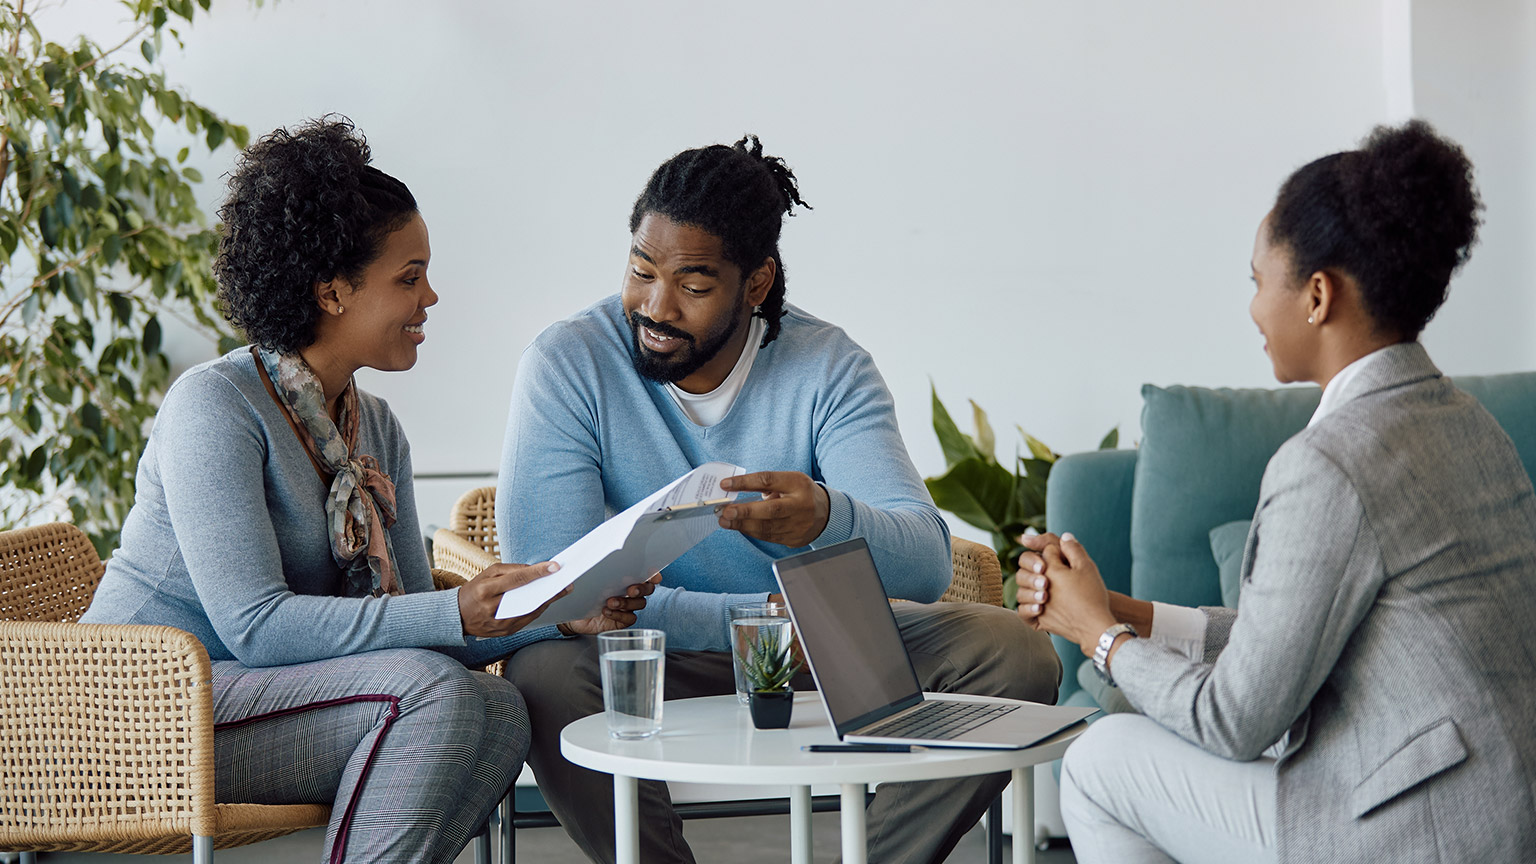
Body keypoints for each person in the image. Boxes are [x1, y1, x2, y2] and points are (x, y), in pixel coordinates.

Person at [80, 117, 655, 864]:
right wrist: (460, 608)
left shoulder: (374, 428)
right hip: (138, 712)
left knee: (498, 708)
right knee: (433, 695)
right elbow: (255, 625)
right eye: (408, 277)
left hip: (252, 700)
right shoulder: (213, 408)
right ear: (332, 292)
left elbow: (426, 622)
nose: (432, 297)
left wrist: (560, 615)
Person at [497, 135, 1062, 864]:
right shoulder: (568, 362)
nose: (655, 306)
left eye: (694, 286)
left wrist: (828, 518)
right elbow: (556, 590)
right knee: (543, 673)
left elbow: (924, 562)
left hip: (823, 648)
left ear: (756, 284)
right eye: (641, 271)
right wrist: (760, 621)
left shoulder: (828, 367)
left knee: (1013, 653)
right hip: (670, 648)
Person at [1018, 120, 1536, 863]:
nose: (1255, 308)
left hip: (1419, 829)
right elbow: (1291, 634)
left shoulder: (1330, 461)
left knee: (1103, 762)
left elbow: (1235, 719)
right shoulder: (1466, 423)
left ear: (1317, 296)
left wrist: (1099, 639)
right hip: (1501, 806)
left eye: (1259, 281)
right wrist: (1116, 610)